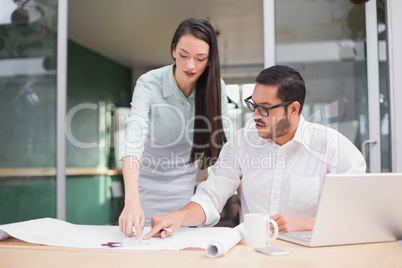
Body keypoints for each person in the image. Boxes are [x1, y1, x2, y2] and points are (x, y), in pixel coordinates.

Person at [143, 65, 367, 239]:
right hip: (254, 253)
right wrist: (180, 215)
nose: (256, 116)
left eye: (265, 108)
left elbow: (358, 212)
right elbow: (211, 196)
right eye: (254, 105)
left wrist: (305, 224)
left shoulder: (331, 146)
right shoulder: (242, 143)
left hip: (310, 252)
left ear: (293, 109)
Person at [118, 18, 229, 238]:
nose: (190, 65)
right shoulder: (148, 83)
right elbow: (133, 139)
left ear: (210, 60)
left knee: (178, 242)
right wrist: (131, 200)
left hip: (183, 189)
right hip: (144, 185)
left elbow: (225, 147)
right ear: (173, 50)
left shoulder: (217, 88)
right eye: (184, 55)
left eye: (200, 59)